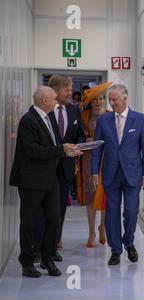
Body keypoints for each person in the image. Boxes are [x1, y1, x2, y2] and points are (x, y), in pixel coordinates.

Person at [9, 86, 82, 278]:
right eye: (54, 98)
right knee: (29, 222)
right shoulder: (28, 121)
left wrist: (69, 151)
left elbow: (55, 146)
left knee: (54, 218)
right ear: (44, 101)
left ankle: (47, 258)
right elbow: (34, 151)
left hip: (50, 179)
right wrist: (61, 150)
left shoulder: (48, 118)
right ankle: (27, 262)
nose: (57, 101)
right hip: (31, 180)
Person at [91, 84, 144, 265]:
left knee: (131, 211)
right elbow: (97, 149)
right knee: (112, 213)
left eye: (115, 99)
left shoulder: (140, 119)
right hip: (110, 174)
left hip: (133, 173)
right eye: (110, 99)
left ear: (125, 98)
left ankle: (129, 242)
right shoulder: (103, 120)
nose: (111, 103)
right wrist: (94, 171)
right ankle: (115, 250)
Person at [47, 75, 85, 262]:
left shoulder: (73, 110)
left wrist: (78, 148)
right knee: (45, 208)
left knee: (60, 207)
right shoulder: (45, 111)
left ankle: (54, 243)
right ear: (56, 91)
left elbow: (80, 135)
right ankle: (41, 244)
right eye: (68, 90)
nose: (71, 93)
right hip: (46, 168)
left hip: (66, 168)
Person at [76, 82, 112, 247]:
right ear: (91, 101)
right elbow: (76, 136)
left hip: (106, 160)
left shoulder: (110, 115)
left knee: (104, 195)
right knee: (90, 196)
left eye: (101, 98)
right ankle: (91, 231)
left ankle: (102, 226)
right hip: (88, 159)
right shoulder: (84, 115)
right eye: (96, 99)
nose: (99, 102)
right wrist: (86, 140)